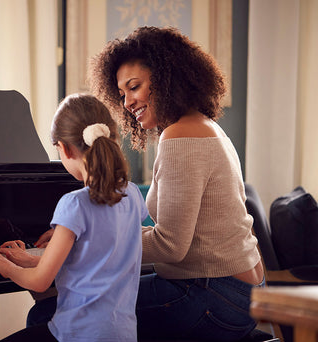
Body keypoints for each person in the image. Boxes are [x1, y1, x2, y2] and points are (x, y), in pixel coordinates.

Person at [86, 26, 264, 341]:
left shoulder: (181, 135)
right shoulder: (204, 126)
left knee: (61, 311)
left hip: (213, 296)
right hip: (237, 292)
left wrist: (85, 240)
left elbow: (170, 246)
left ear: (167, 78)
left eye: (134, 87)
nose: (127, 102)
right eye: (122, 93)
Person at [0, 93, 148, 342]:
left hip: (76, 334)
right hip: (121, 333)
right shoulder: (132, 194)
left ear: (65, 148)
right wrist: (28, 259)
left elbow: (39, 282)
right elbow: (94, 258)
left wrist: (6, 267)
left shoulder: (74, 203)